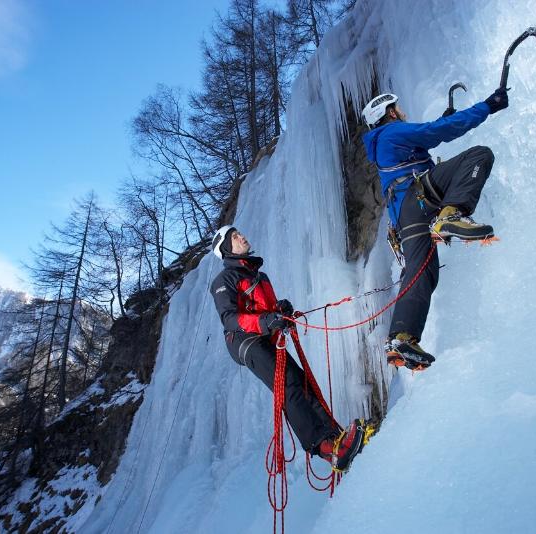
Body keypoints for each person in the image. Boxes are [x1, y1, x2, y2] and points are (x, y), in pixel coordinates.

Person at [361, 88, 509, 371]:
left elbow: (418, 146)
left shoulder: (384, 143)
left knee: (421, 274)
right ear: (390, 113)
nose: (401, 111)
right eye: (398, 108)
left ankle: (401, 339)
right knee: (479, 155)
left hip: (406, 214)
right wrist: (488, 106)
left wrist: (438, 122)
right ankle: (452, 214)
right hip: (420, 196)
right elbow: (439, 131)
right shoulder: (392, 132)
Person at [210, 225, 367, 472]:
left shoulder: (258, 275)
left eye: (240, 232)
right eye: (234, 237)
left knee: (302, 383)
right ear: (226, 249)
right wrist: (265, 321)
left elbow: (264, 310)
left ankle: (335, 438)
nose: (241, 236)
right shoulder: (224, 280)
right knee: (288, 386)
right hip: (244, 342)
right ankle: (324, 446)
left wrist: (279, 311)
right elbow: (229, 318)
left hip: (264, 338)